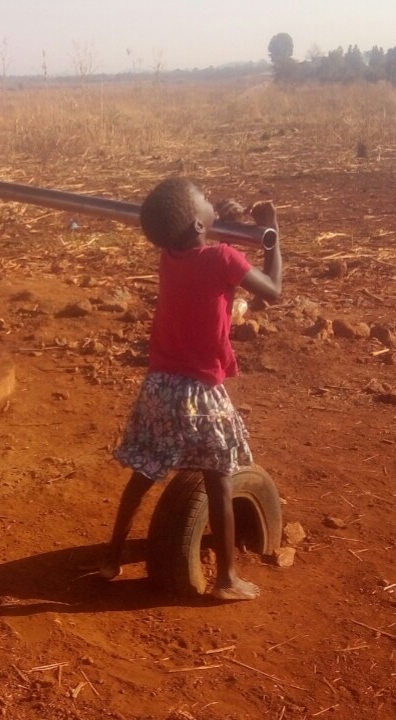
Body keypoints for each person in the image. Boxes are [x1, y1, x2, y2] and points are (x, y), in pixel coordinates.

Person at [100, 177, 282, 601]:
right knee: (219, 479)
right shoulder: (223, 258)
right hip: (199, 390)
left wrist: (221, 216)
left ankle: (112, 557)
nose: (210, 208)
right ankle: (226, 580)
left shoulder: (170, 255)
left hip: (160, 386)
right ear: (200, 225)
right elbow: (273, 291)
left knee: (144, 472)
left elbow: (197, 236)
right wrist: (274, 235)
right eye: (205, 204)